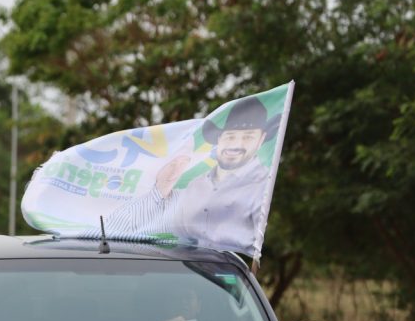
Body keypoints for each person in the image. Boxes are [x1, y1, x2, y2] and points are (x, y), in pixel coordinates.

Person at [101, 95, 280, 252]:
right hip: (181, 278)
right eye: (230, 136)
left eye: (248, 137)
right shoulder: (195, 186)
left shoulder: (261, 189)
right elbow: (116, 229)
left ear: (261, 139)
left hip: (221, 283)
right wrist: (160, 189)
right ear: (219, 139)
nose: (236, 144)